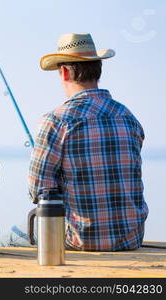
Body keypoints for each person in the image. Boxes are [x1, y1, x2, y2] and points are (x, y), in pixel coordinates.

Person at [28, 33, 149, 251]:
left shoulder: (56, 121)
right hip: (131, 238)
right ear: (98, 69)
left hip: (80, 241)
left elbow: (38, 190)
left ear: (64, 72)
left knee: (13, 236)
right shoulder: (128, 117)